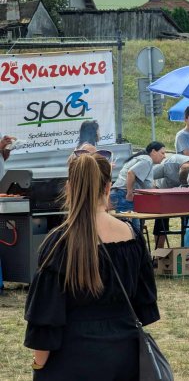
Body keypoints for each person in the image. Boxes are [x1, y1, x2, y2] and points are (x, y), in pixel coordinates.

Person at [23, 153, 159, 380]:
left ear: (69, 188)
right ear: (107, 188)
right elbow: (144, 302)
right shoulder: (131, 235)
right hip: (125, 357)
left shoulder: (59, 241)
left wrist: (38, 366)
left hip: (71, 360)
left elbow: (46, 318)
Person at [110, 142, 166, 230]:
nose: (164, 156)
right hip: (123, 194)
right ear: (153, 151)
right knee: (131, 230)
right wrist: (129, 193)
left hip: (120, 193)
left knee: (132, 229)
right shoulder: (147, 160)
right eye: (162, 153)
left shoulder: (144, 159)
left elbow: (145, 183)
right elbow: (131, 173)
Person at [152, 154, 189, 248]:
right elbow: (148, 175)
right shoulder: (168, 164)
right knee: (161, 220)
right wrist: (154, 190)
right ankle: (160, 253)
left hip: (185, 195)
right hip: (164, 192)